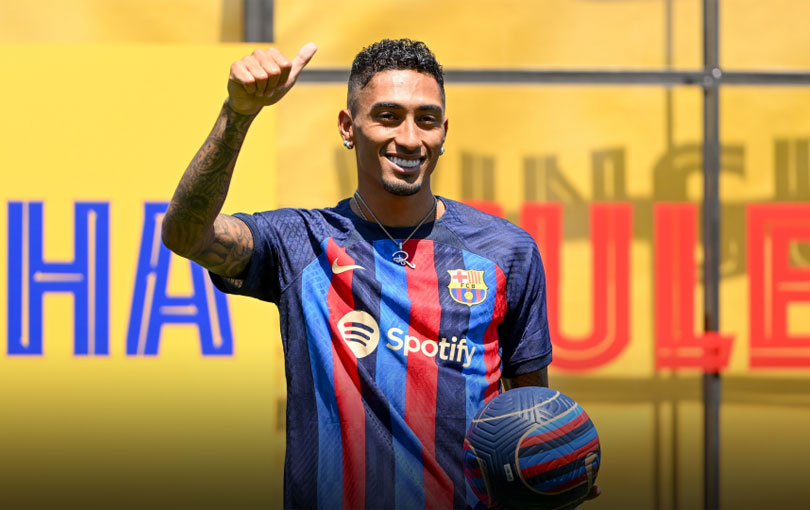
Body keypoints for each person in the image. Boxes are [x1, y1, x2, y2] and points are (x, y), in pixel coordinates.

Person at [163, 38, 596, 510]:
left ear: (444, 131)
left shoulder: (506, 252)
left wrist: (552, 475)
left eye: (426, 119)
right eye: (387, 116)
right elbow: (187, 235)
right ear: (348, 127)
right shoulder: (300, 243)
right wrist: (238, 114)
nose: (409, 138)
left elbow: (530, 420)